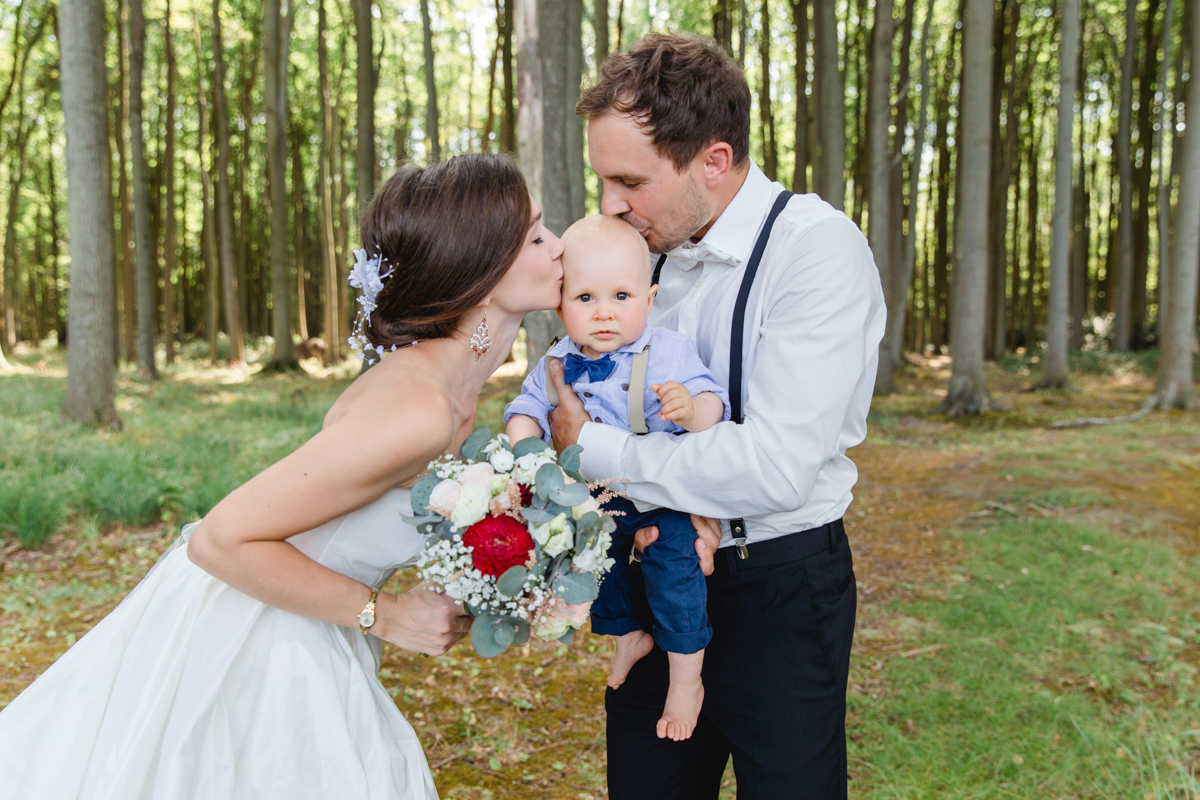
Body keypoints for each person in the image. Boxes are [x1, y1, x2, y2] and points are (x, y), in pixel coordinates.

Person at [0, 153, 565, 800]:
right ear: (483, 270)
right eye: (537, 236)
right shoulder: (421, 409)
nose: (558, 248)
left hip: (302, 618)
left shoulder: (450, 390)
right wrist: (387, 614)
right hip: (255, 634)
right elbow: (217, 539)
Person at [545, 33, 887, 800]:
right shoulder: (639, 253)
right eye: (604, 179)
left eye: (629, 180)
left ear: (714, 160)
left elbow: (773, 466)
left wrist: (593, 448)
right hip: (651, 569)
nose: (609, 205)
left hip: (779, 591)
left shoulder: (816, 251)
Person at [504, 214, 730, 742]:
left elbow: (715, 405)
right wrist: (523, 446)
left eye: (622, 297)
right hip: (599, 501)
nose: (604, 312)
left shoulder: (667, 351)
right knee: (589, 570)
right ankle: (627, 635)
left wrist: (689, 408)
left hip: (663, 496)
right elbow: (526, 409)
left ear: (650, 300)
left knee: (676, 579)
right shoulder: (557, 361)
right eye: (585, 299)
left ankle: (685, 679)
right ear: (561, 304)